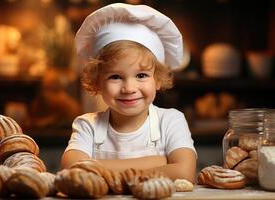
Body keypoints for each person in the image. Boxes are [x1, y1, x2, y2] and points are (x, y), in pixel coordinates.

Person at [61, 3, 197, 182]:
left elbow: (184, 173)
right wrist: (157, 162)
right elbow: (72, 168)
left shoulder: (171, 121)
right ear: (98, 82)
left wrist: (96, 166)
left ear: (157, 79)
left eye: (141, 75)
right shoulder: (88, 126)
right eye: (115, 77)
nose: (129, 88)